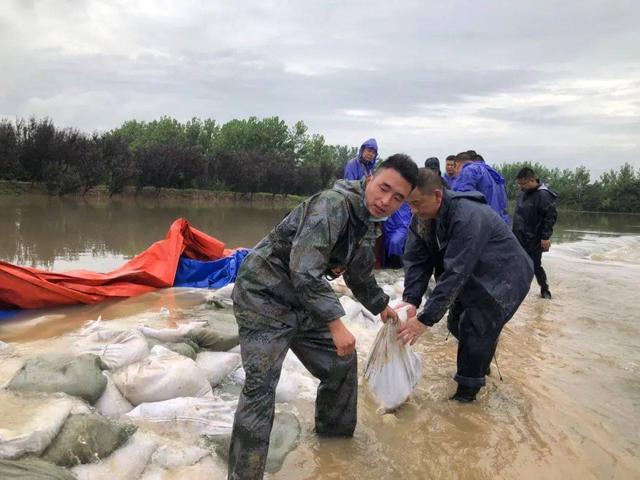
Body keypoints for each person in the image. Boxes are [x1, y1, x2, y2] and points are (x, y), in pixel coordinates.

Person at [228, 155, 418, 479]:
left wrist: (381, 305)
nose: (386, 201)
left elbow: (358, 275)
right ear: (370, 178)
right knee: (261, 391)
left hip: (302, 301)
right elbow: (304, 269)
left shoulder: (368, 223)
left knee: (341, 363)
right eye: (384, 188)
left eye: (398, 198)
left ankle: (334, 448)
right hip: (263, 298)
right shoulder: (333, 205)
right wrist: (335, 323)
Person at [397, 168, 533, 403]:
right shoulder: (421, 218)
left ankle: (465, 397)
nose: (413, 210)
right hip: (474, 274)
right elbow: (418, 261)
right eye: (409, 204)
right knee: (456, 323)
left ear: (438, 195)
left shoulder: (468, 216)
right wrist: (411, 300)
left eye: (417, 203)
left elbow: (456, 272)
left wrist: (424, 320)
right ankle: (481, 363)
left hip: (505, 276)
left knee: (475, 328)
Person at [512, 167, 558, 299]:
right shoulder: (524, 194)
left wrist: (545, 237)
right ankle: (517, 290)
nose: (521, 187)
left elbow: (550, 217)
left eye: (523, 184)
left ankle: (545, 289)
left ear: (532, 180)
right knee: (517, 263)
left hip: (534, 238)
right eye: (519, 184)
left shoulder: (544, 195)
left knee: (535, 265)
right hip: (519, 236)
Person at [453, 151, 510, 224]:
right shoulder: (493, 174)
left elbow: (463, 201)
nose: (457, 175)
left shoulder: (469, 170)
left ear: (456, 165)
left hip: (482, 224)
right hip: (499, 222)